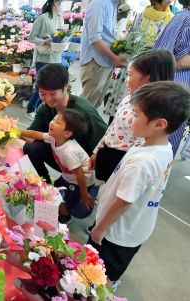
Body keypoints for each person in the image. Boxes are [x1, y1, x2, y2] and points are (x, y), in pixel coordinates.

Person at [89, 81, 190, 289]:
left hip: (115, 234)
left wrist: (100, 229)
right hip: (132, 229)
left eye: (135, 114)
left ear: (159, 124)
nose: (129, 118)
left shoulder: (143, 162)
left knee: (95, 278)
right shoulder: (161, 147)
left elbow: (123, 202)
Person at [91, 49, 176, 182]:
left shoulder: (147, 114)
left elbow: (140, 148)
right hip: (107, 152)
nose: (126, 79)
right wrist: (97, 151)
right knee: (101, 186)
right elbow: (112, 128)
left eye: (130, 75)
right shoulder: (128, 99)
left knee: (109, 190)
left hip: (122, 160)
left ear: (148, 78)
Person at [21, 64, 107, 184]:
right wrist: (8, 130)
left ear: (65, 86)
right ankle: (45, 183)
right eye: (42, 93)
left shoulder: (83, 111)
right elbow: (31, 136)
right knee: (30, 147)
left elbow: (104, 140)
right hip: (63, 157)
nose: (48, 99)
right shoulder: (45, 108)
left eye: (52, 93)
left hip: (83, 164)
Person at [22, 109, 97, 223]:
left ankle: (65, 215)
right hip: (68, 176)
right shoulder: (55, 137)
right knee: (53, 194)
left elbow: (80, 175)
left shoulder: (69, 152)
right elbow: (36, 134)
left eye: (58, 122)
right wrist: (18, 131)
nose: (52, 122)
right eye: (54, 119)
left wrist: (84, 195)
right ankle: (60, 209)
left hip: (80, 183)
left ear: (67, 133)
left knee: (64, 201)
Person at [155, 0, 190, 156]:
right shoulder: (186, 19)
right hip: (174, 88)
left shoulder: (181, 17)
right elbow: (175, 60)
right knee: (165, 139)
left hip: (168, 85)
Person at [79, 0, 126, 108]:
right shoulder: (99, 3)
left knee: (94, 106)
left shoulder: (113, 5)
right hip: (96, 62)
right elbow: (94, 38)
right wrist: (114, 57)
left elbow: (108, 36)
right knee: (85, 107)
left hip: (107, 62)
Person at [26, 0, 64, 120]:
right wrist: (44, 41)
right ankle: (31, 109)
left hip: (56, 56)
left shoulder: (60, 18)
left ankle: (40, 109)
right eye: (60, 2)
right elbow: (31, 37)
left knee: (51, 87)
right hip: (43, 57)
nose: (60, 5)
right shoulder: (43, 18)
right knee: (42, 86)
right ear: (55, 2)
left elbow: (60, 35)